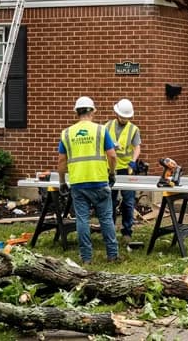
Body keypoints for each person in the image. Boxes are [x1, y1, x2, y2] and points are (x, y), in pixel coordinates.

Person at [56, 96, 119, 263]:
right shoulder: (100, 130)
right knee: (105, 218)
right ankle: (112, 255)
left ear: (76, 112)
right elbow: (112, 156)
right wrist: (112, 173)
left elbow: (61, 160)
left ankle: (86, 258)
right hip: (99, 180)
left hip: (78, 183)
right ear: (93, 111)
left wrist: (62, 182)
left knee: (82, 219)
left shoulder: (67, 133)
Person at [104, 98, 142, 243]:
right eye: (122, 117)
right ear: (116, 114)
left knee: (128, 201)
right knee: (110, 201)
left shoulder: (133, 129)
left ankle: (127, 231)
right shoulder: (107, 126)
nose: (125, 120)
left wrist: (133, 161)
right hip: (110, 169)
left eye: (127, 118)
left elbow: (137, 147)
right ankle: (110, 230)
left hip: (126, 170)